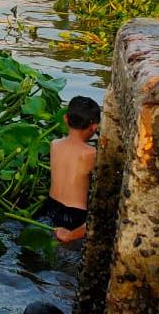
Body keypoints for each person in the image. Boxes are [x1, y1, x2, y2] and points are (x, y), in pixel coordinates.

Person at [44, 95, 100, 243]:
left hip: (50, 207)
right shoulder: (91, 154)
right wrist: (70, 235)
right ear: (94, 126)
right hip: (74, 215)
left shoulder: (54, 144)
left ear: (65, 119)